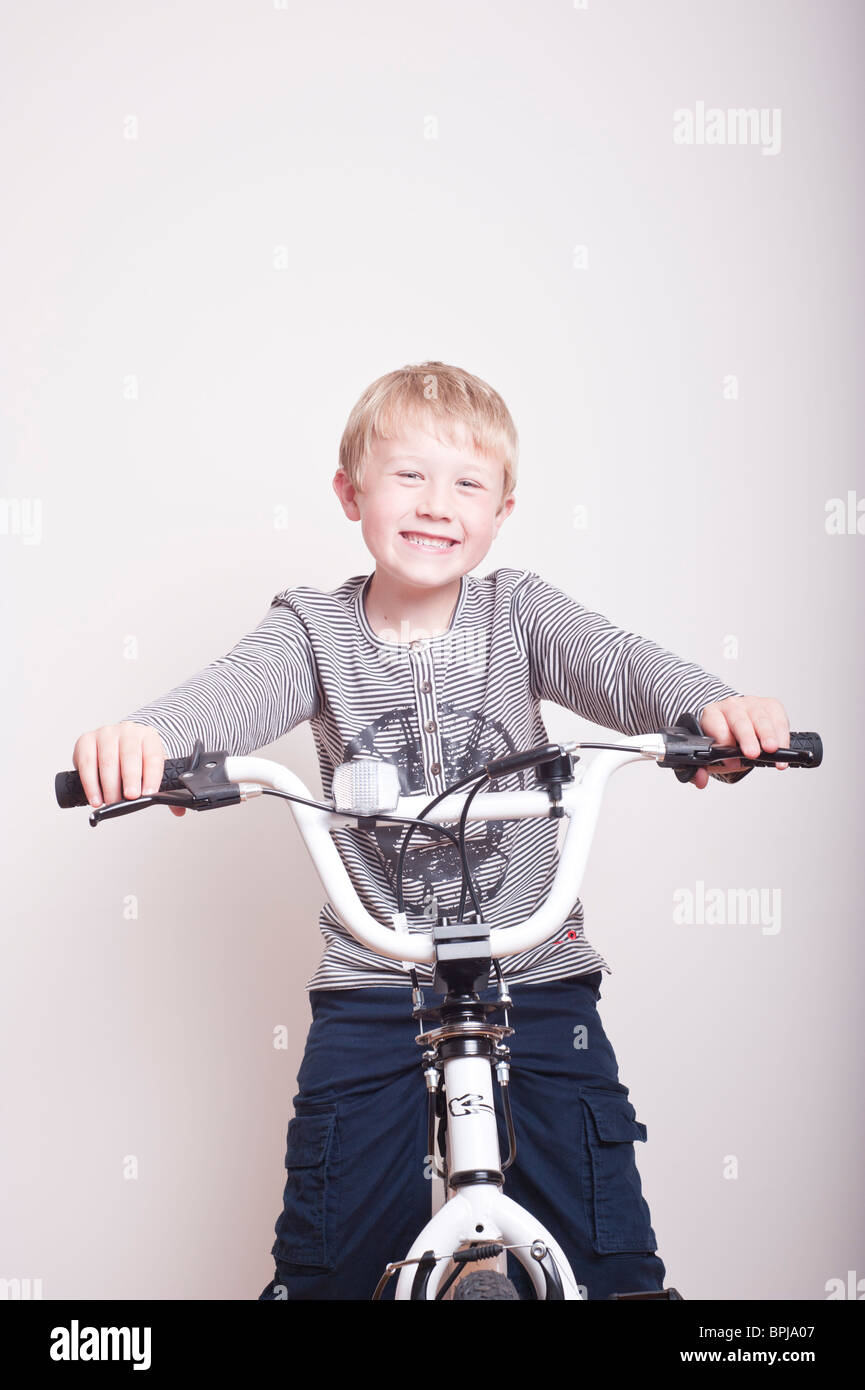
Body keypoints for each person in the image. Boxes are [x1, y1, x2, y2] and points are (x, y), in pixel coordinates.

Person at [71, 361, 791, 1300]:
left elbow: (617, 666)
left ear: (501, 510)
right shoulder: (312, 632)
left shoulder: (519, 614)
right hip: (377, 984)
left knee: (612, 1263)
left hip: (537, 976)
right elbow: (232, 695)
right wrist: (152, 741)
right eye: (407, 476)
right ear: (351, 494)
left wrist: (715, 711)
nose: (436, 504)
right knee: (324, 1267)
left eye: (467, 483)